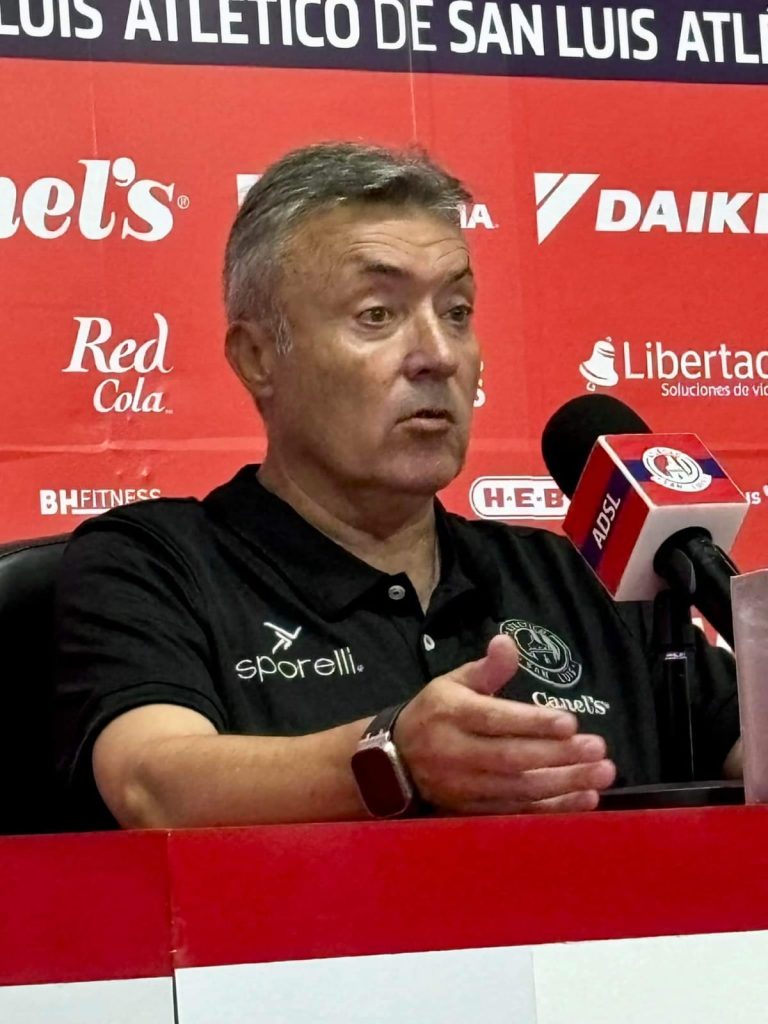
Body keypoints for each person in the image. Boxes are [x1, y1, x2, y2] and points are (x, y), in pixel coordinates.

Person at [55, 142, 742, 830]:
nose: (438, 356)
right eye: (377, 315)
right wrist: (393, 760)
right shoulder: (156, 565)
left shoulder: (578, 581)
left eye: (457, 311)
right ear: (258, 358)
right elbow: (151, 785)